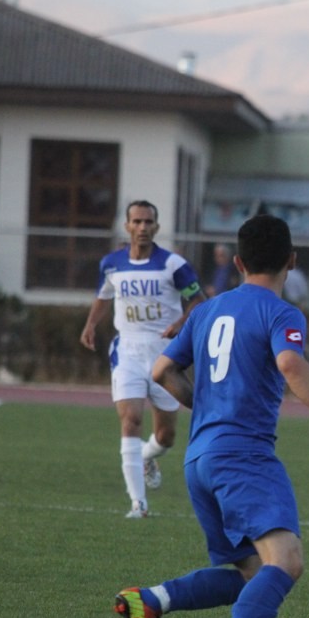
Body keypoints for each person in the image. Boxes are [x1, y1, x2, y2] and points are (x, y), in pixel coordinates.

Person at [113, 214, 309, 618]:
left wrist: (204, 406)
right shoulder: (281, 312)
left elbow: (162, 370)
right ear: (292, 260)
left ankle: (150, 601)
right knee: (286, 561)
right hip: (243, 456)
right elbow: (290, 363)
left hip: (199, 459)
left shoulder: (207, 311)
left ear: (237, 262)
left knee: (253, 572)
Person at [79, 200, 205, 519]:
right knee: (131, 420)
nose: (142, 227)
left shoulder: (173, 264)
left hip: (166, 356)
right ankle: (138, 503)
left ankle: (148, 457)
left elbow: (199, 300)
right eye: (136, 221)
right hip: (128, 352)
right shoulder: (112, 264)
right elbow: (103, 296)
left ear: (157, 227)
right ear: (127, 226)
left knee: (166, 436)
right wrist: (91, 324)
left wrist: (181, 324)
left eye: (148, 222)